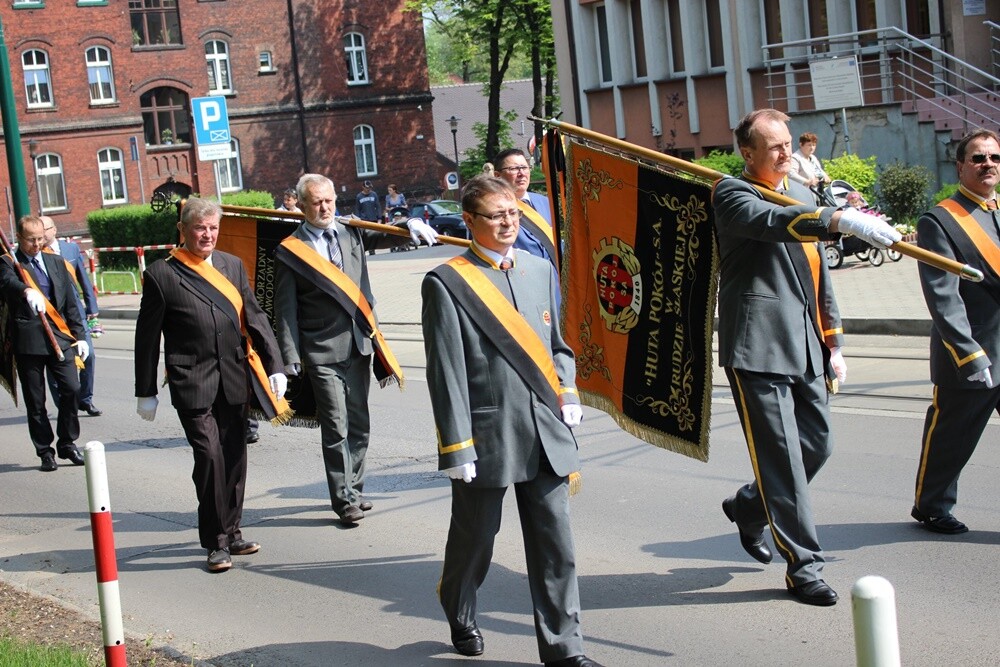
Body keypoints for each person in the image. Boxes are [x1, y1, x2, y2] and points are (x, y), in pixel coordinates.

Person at [712, 109, 901, 606]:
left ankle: (748, 507)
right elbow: (773, 223)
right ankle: (803, 567)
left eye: (787, 143)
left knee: (817, 445)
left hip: (807, 341)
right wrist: (835, 218)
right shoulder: (733, 193)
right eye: (773, 146)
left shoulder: (799, 193)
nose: (784, 153)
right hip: (758, 345)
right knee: (782, 459)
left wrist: (833, 339)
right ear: (747, 153)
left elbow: (819, 274)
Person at [422, 175, 601, 667]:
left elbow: (558, 346)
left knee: (556, 545)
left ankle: (565, 649)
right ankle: (458, 605)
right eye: (496, 215)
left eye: (513, 213)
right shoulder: (447, 282)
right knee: (475, 541)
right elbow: (446, 371)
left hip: (545, 429)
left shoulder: (540, 269)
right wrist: (456, 446)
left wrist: (567, 390)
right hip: (489, 436)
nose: (508, 223)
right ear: (469, 221)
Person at [134, 197, 289, 572]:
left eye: (213, 228)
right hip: (192, 380)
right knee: (209, 457)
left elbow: (255, 318)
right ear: (183, 230)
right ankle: (215, 542)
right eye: (200, 228)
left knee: (234, 456)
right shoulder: (161, 274)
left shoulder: (231, 265)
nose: (207, 235)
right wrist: (146, 390)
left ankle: (232, 532)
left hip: (234, 376)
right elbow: (146, 338)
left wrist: (275, 366)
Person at [273, 174, 437, 525]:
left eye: (329, 201)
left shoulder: (351, 232)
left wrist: (408, 223)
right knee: (336, 425)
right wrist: (289, 356)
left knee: (359, 423)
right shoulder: (291, 250)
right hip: (320, 350)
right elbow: (285, 309)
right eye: (316, 202)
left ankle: (355, 489)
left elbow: (383, 234)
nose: (324, 208)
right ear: (301, 205)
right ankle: (343, 498)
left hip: (360, 344)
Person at [910, 129, 1000, 535]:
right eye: (978, 158)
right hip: (973, 353)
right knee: (952, 439)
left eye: (994, 157)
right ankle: (931, 506)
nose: (988, 164)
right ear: (960, 166)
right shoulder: (940, 221)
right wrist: (968, 353)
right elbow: (943, 296)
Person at [0, 215, 89, 472]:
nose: (37, 244)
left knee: (72, 388)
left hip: (60, 337)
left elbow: (70, 303)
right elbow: (6, 282)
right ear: (19, 238)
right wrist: (25, 290)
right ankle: (45, 451)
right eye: (31, 240)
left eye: (40, 238)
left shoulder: (55, 261)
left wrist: (80, 337)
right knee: (36, 400)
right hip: (29, 342)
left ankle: (67, 443)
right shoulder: (9, 263)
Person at [41, 216, 102, 417]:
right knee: (56, 360)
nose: (42, 234)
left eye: (45, 229)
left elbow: (83, 279)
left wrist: (92, 307)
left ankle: (86, 399)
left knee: (89, 356)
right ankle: (63, 404)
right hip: (53, 315)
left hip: (76, 313)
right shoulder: (38, 253)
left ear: (54, 230)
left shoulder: (71, 249)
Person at [493, 148, 557, 272]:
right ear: (497, 176)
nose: (521, 173)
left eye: (524, 167)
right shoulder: (494, 210)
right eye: (514, 169)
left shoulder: (544, 202)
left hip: (558, 276)